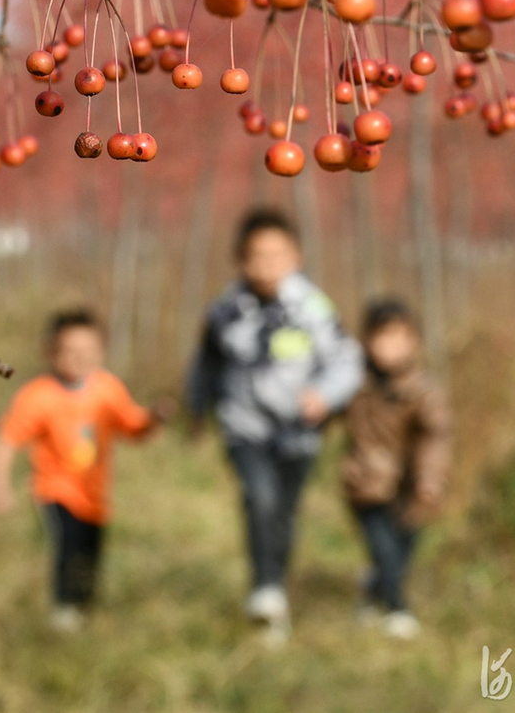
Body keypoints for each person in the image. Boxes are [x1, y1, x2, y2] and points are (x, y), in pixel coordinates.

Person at [186, 208, 363, 639]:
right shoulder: (226, 309)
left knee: (283, 512)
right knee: (260, 497)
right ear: (240, 259)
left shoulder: (314, 308)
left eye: (276, 255)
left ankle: (274, 592)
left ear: (296, 257)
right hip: (244, 427)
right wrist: (196, 409)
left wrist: (324, 395)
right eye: (256, 256)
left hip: (298, 433)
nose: (266, 265)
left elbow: (346, 360)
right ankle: (264, 588)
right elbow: (206, 363)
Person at [0, 309, 173, 632]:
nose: (79, 359)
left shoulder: (108, 389)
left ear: (101, 352)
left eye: (88, 352)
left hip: (95, 494)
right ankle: (63, 609)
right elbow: (7, 439)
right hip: (55, 490)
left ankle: (84, 609)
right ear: (51, 353)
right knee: (67, 546)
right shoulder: (38, 395)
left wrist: (155, 418)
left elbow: (133, 425)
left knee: (90, 553)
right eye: (70, 352)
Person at [341, 298, 451, 639]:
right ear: (367, 340)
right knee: (384, 549)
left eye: (400, 339)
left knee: (402, 552)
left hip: (410, 488)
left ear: (414, 342)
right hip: (364, 483)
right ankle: (398, 610)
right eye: (383, 338)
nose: (391, 348)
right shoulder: (353, 384)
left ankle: (374, 590)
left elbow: (436, 438)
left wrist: (429, 481)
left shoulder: (425, 391)